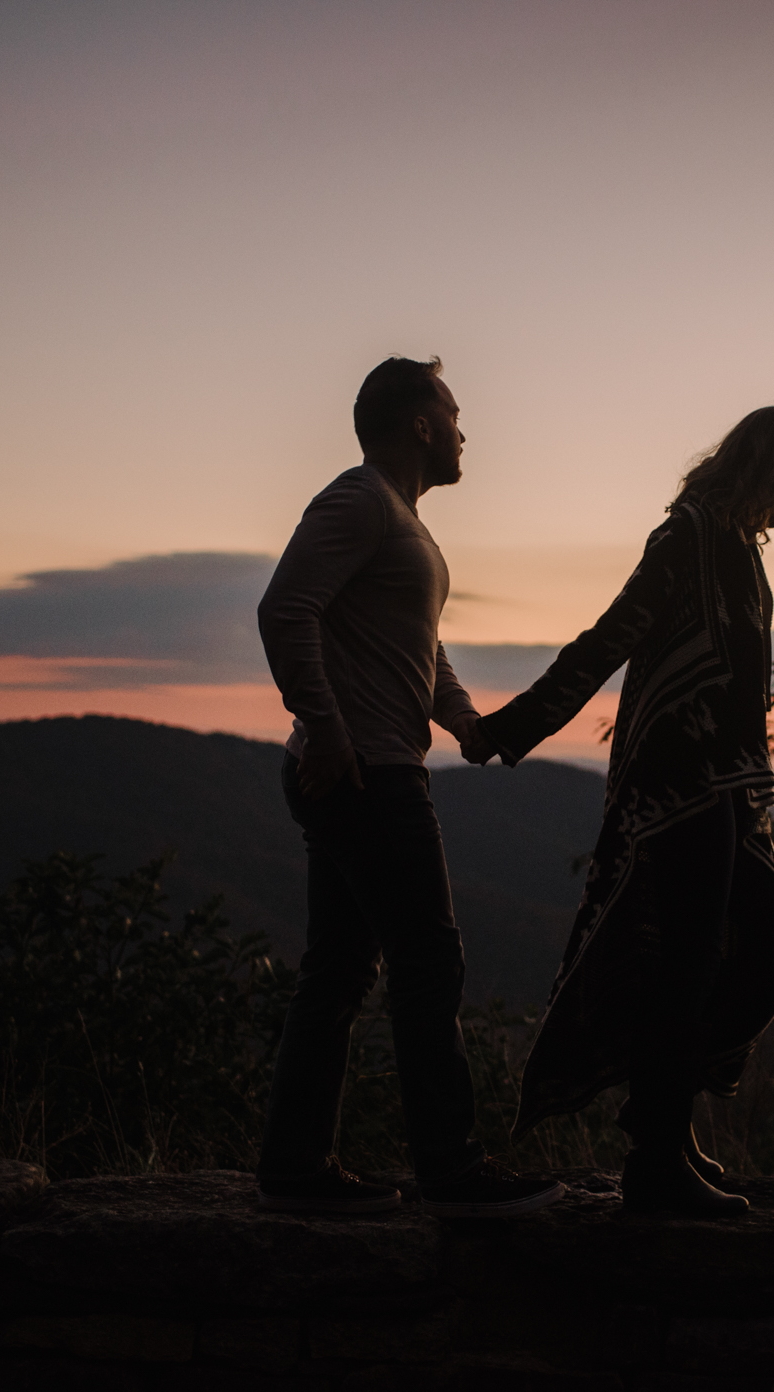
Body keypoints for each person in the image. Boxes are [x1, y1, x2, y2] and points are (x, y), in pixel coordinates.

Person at [465, 405, 774, 1216]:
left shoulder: (738, 547)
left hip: (730, 787)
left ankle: (658, 1113)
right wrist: (511, 728)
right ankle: (656, 1159)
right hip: (673, 786)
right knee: (688, 962)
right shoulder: (687, 535)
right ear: (772, 467)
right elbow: (607, 640)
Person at [253, 355, 564, 1219]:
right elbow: (284, 610)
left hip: (366, 764)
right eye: (454, 412)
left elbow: (417, 649)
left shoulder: (399, 521)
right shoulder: (357, 501)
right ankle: (453, 1172)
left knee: (340, 971)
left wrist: (463, 720)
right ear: (419, 424)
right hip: (364, 773)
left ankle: (292, 1167)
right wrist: (324, 725)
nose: (466, 430)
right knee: (428, 962)